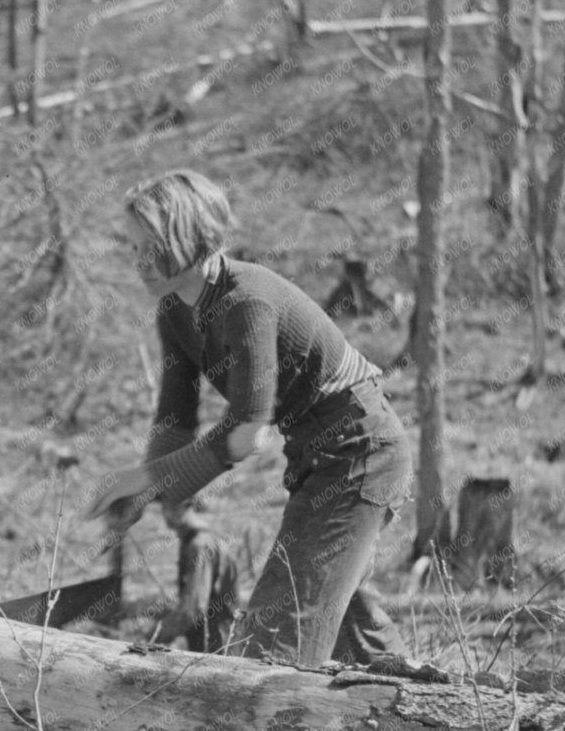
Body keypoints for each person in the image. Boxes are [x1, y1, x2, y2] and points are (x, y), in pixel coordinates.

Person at [86, 168, 411, 670]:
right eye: (133, 247)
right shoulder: (175, 309)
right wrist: (161, 496)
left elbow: (245, 434)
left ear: (189, 238)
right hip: (314, 455)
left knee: (270, 653)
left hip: (360, 451)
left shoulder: (245, 301)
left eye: (151, 245)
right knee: (357, 643)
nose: (139, 262)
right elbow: (175, 418)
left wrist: (149, 479)